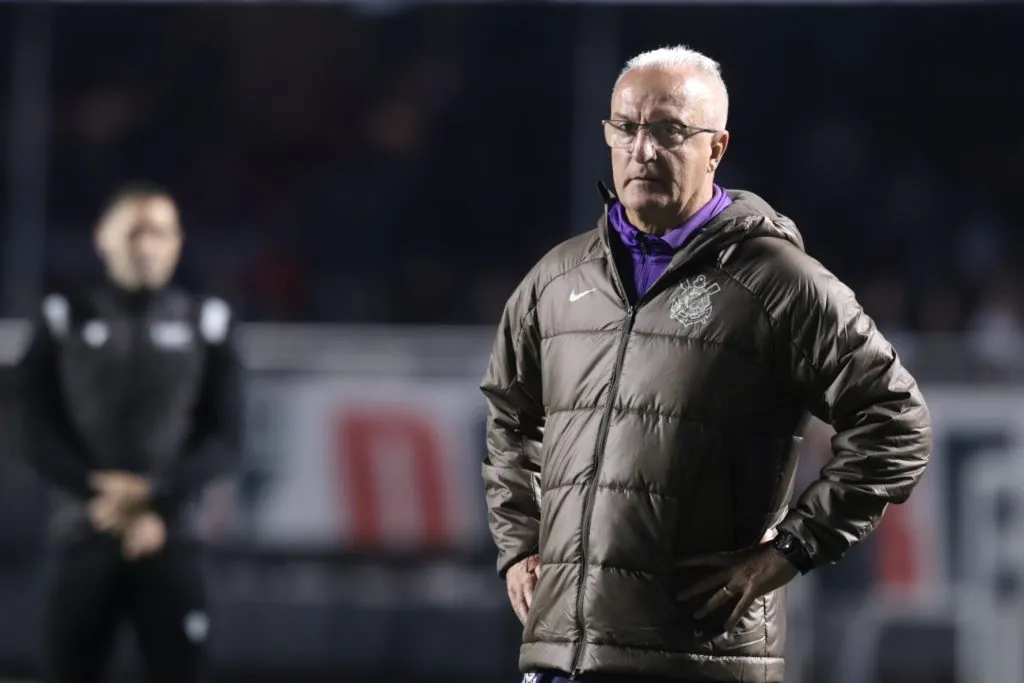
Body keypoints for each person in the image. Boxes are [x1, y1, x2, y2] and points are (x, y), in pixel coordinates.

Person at [480, 46, 931, 683]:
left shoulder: (778, 283)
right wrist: (519, 545)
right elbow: (509, 416)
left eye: (669, 130)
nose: (643, 150)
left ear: (716, 149)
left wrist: (787, 552)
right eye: (626, 128)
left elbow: (897, 422)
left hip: (701, 660)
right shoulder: (556, 280)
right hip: (560, 657)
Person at [18, 183, 242, 683]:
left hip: (171, 537)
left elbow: (226, 438)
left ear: (178, 241)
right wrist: (94, 494)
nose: (146, 246)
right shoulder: (64, 320)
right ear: (103, 237)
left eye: (160, 232)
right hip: (82, 530)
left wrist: (158, 499)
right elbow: (32, 427)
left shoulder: (206, 323)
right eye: (134, 231)